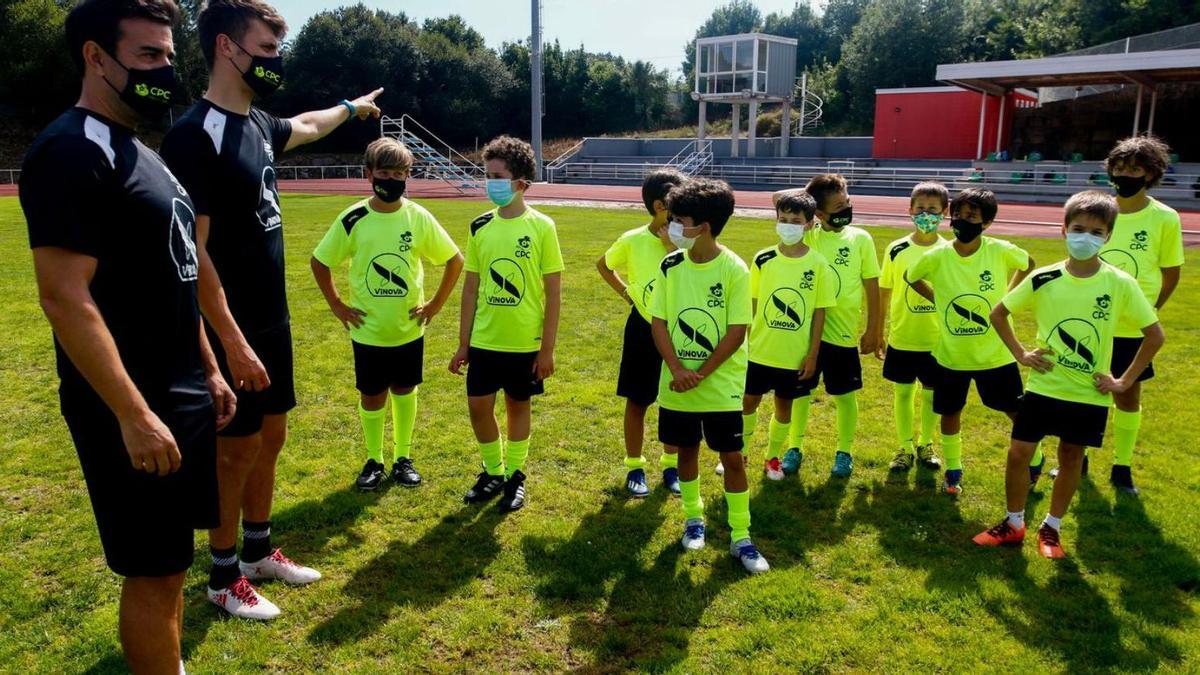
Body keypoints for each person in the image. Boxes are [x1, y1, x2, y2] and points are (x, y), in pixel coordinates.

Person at [19, 1, 235, 670]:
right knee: (152, 568)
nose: (165, 71)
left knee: (171, 564)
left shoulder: (145, 154)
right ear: (94, 57)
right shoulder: (68, 150)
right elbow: (64, 295)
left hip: (181, 391)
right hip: (132, 406)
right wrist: (134, 413)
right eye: (147, 57)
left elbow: (175, 274)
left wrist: (211, 367)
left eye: (169, 57)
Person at [160, 0, 385, 619]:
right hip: (229, 327)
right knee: (234, 449)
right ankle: (223, 573)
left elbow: (308, 126)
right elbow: (195, 253)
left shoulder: (257, 122)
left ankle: (259, 551)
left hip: (272, 320)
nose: (275, 62)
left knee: (272, 435)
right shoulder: (192, 136)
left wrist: (352, 108)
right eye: (266, 48)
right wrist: (230, 340)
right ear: (228, 48)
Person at [973, 191, 1163, 558]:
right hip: (1044, 386)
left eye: (1096, 231)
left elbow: (1155, 335)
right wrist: (1021, 354)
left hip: (1088, 393)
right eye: (1078, 228)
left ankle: (1052, 527)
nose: (1085, 237)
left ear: (1107, 236)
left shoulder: (1120, 283)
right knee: (1019, 453)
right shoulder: (1044, 277)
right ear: (1063, 230)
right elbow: (998, 313)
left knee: (1071, 456)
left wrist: (1123, 381)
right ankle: (1013, 523)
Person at [311, 138, 463, 491]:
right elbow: (320, 261)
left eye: (399, 173)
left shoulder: (417, 217)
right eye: (384, 172)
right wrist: (337, 304)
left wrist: (435, 305)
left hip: (407, 329)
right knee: (372, 394)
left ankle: (403, 458)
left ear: (408, 176)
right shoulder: (353, 218)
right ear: (369, 174)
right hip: (368, 330)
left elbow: (454, 260)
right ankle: (374, 459)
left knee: (405, 389)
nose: (391, 179)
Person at [650, 178, 768, 574]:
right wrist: (678, 369)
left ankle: (741, 536)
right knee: (686, 451)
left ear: (703, 226)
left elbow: (738, 330)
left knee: (732, 458)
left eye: (679, 220)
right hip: (678, 383)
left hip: (720, 386)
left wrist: (700, 372)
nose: (672, 228)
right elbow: (659, 322)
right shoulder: (670, 265)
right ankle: (693, 520)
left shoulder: (735, 268)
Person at [450, 136, 563, 513]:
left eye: (498, 176)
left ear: (521, 183)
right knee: (478, 407)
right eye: (487, 175)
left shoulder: (542, 227)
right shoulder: (480, 226)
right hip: (485, 340)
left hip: (524, 343)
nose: (490, 183)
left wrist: (546, 349)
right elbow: (470, 290)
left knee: (518, 406)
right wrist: (463, 342)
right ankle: (493, 470)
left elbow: (553, 293)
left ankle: (515, 475)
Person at [905, 188, 1035, 495]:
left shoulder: (999, 250)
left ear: (987, 222)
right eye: (958, 215)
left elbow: (1028, 263)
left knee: (1016, 411)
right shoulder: (937, 255)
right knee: (950, 412)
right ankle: (953, 469)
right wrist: (937, 299)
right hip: (952, 356)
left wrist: (1008, 298)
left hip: (996, 355)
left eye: (972, 216)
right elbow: (911, 276)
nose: (963, 221)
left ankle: (1035, 459)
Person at [770, 174, 881, 479]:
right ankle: (795, 447)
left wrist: (874, 329)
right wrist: (811, 198)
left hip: (842, 334)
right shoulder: (808, 234)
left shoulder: (860, 239)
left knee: (845, 395)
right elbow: (778, 198)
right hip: (805, 335)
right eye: (838, 205)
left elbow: (872, 285)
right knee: (800, 394)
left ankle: (844, 451)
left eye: (848, 201)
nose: (847, 207)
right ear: (817, 214)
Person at [1090, 136, 1183, 494]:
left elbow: (1171, 272)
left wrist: (1149, 311)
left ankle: (1122, 466)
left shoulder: (1164, 217)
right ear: (1110, 169)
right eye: (1119, 167)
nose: (1125, 174)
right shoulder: (1097, 209)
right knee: (1085, 392)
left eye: (1135, 168)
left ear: (1151, 173)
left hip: (1132, 327)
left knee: (1127, 396)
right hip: (1093, 321)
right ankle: (1076, 458)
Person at [597, 168, 686, 497]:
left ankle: (670, 464)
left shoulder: (686, 242)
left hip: (678, 331)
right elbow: (604, 265)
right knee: (638, 400)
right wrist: (626, 293)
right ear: (661, 205)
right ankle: (634, 465)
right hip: (642, 328)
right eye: (678, 201)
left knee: (674, 400)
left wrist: (671, 247)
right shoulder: (633, 239)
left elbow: (691, 276)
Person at [742, 191, 835, 480]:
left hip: (793, 355)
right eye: (783, 219)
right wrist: (744, 343)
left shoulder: (818, 264)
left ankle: (772, 458)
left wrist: (812, 354)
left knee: (784, 408)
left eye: (796, 220)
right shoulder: (763, 258)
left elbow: (820, 312)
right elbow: (751, 305)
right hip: (759, 350)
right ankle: (740, 454)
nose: (789, 225)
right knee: (747, 402)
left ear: (809, 224)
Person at [877, 182, 949, 472]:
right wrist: (878, 330)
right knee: (904, 393)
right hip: (903, 336)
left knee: (932, 393)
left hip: (936, 339)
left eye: (933, 209)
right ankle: (904, 447)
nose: (926, 214)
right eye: (920, 208)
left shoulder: (949, 250)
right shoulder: (896, 249)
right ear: (910, 210)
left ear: (944, 213)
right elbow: (884, 290)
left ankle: (925, 443)